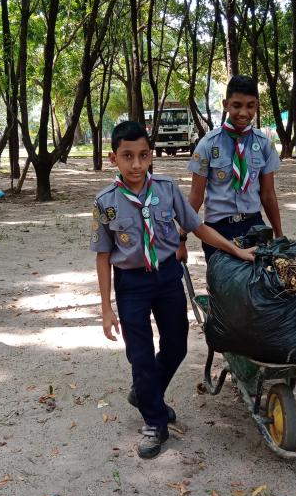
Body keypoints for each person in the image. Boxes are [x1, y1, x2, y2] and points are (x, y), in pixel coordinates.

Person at [90, 120, 257, 460]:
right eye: (128, 156)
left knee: (177, 346)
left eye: (143, 155)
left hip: (167, 277)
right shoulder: (105, 203)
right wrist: (106, 307)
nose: (136, 164)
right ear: (113, 159)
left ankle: (145, 393)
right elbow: (104, 256)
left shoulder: (166, 189)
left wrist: (236, 250)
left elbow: (198, 227)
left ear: (151, 156)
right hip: (131, 284)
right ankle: (154, 420)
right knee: (139, 354)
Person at [177, 75, 282, 262]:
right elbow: (195, 197)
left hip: (254, 227)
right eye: (237, 105)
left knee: (259, 287)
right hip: (218, 231)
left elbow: (268, 195)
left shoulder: (265, 144)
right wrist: (181, 238)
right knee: (223, 289)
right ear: (226, 105)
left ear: (257, 105)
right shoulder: (207, 145)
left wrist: (280, 237)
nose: (243, 113)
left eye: (250, 106)